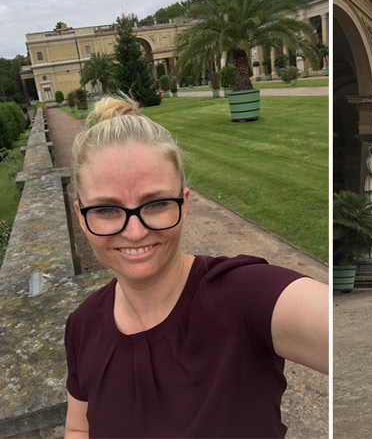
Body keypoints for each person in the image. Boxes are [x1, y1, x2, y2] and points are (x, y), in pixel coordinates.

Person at [63, 95, 329, 438]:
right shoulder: (82, 327)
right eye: (106, 210)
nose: (134, 231)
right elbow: (77, 427)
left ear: (184, 204)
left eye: (156, 203)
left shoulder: (242, 296)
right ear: (81, 219)